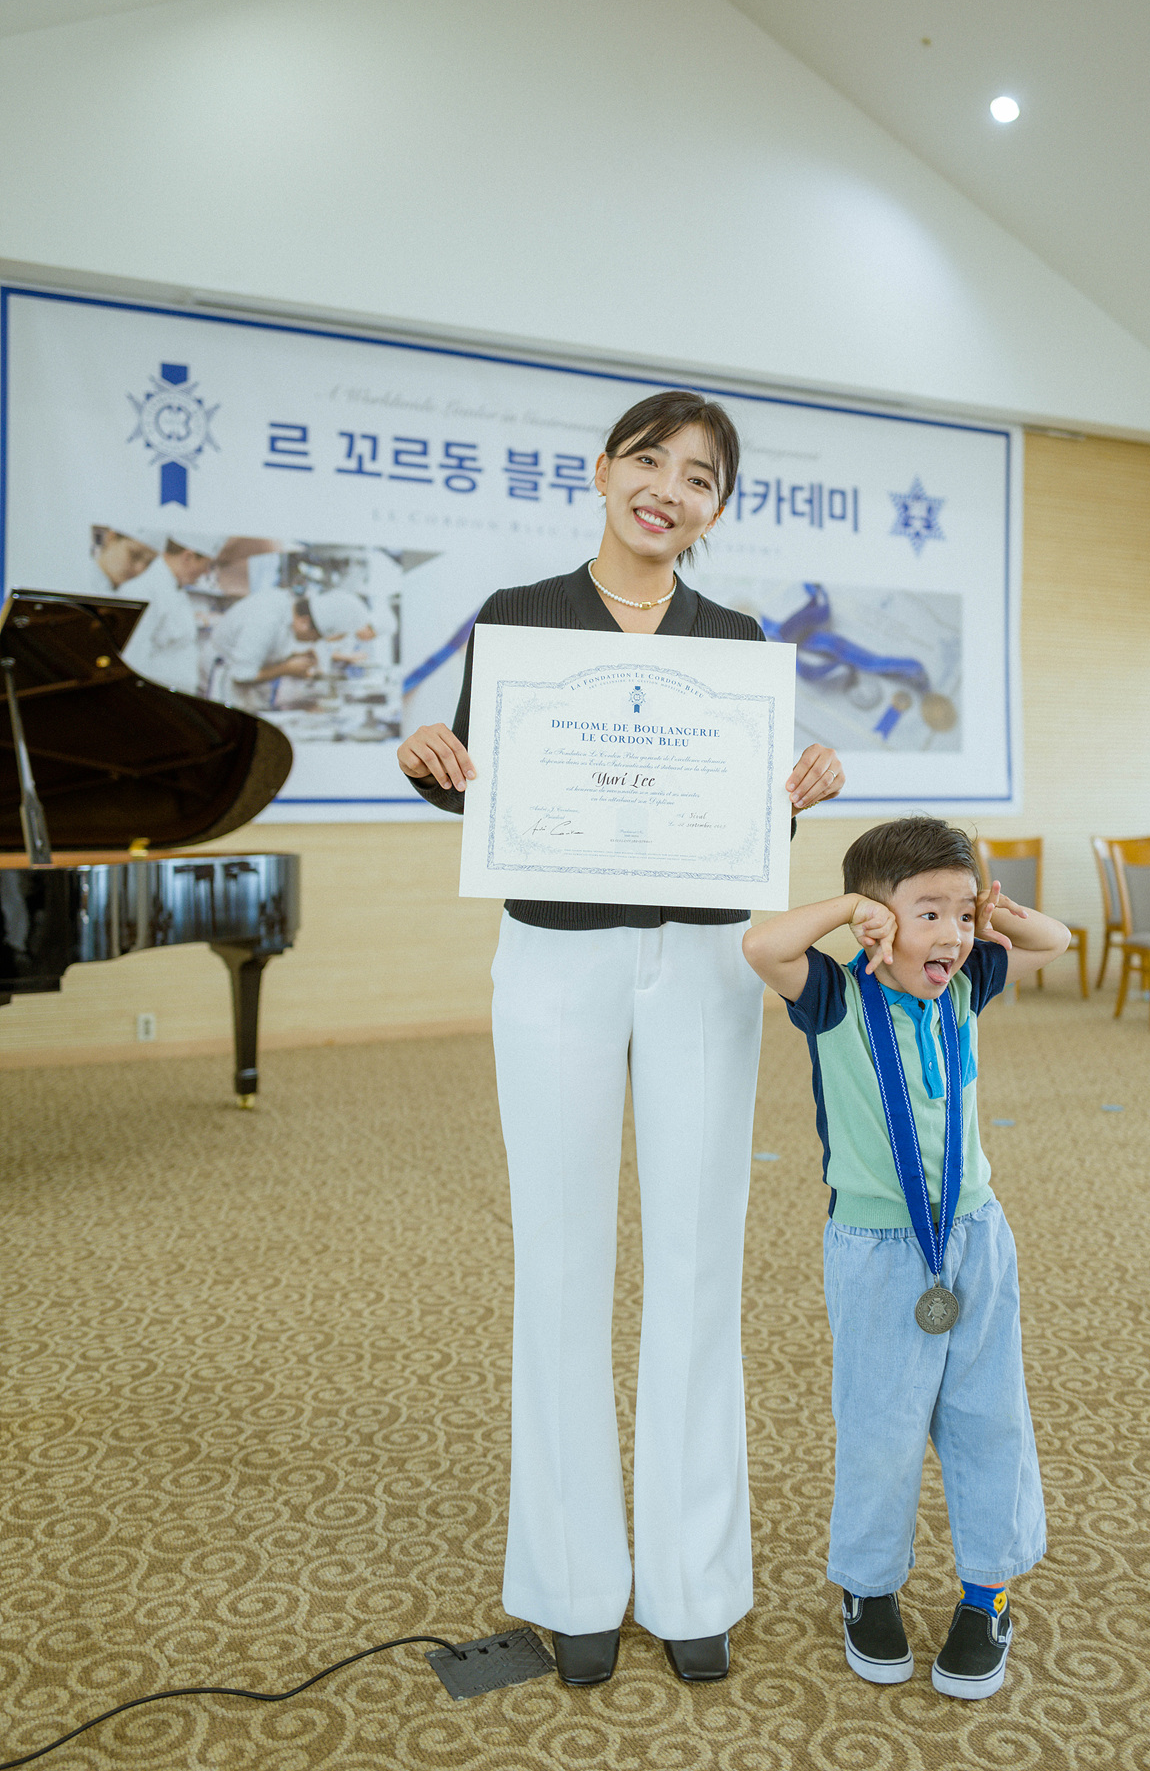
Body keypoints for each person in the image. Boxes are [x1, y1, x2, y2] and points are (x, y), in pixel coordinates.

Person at [396, 391, 844, 1689]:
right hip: (554, 956)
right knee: (560, 1258)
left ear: (715, 509)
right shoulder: (518, 619)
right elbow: (493, 789)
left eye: (698, 477)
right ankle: (571, 1580)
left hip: (702, 959)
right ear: (602, 471)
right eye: (648, 460)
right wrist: (434, 761)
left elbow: (744, 821)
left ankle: (694, 1580)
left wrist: (800, 789)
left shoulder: (736, 643)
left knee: (699, 1258)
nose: (667, 489)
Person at [741, 816, 1069, 1701]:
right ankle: (869, 1586)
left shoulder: (964, 984)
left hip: (975, 1234)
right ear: (877, 920)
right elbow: (762, 946)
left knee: (988, 1417)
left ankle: (987, 1592)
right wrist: (848, 908)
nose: (953, 935)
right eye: (930, 913)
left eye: (962, 914)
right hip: (877, 1248)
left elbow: (1054, 941)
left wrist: (993, 915)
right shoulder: (835, 996)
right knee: (879, 1427)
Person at [209, 585, 375, 703]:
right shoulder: (267, 618)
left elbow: (267, 652)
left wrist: (295, 656)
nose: (313, 643)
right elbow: (241, 675)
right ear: (304, 622)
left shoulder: (286, 611)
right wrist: (286, 669)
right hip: (222, 685)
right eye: (315, 638)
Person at [121, 533, 223, 693]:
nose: (205, 572)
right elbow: (133, 661)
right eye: (206, 565)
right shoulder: (143, 591)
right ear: (188, 557)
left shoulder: (175, 588)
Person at [87, 525, 158, 594]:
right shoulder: (84, 581)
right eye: (135, 554)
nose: (140, 569)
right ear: (109, 537)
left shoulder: (134, 594)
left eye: (149, 562)